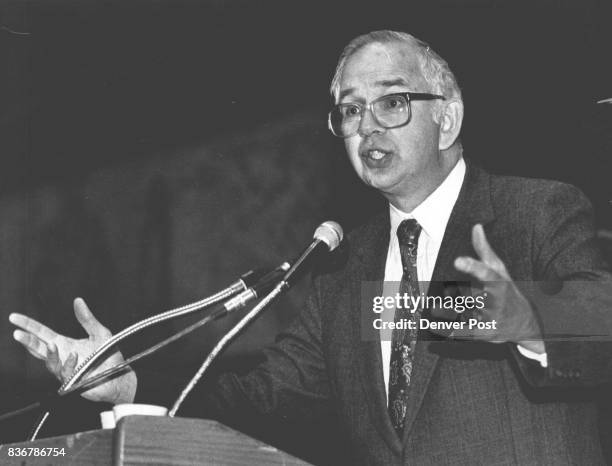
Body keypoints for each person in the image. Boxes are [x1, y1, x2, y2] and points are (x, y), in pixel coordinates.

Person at [10, 30, 612, 464]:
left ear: (448, 120)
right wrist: (129, 385)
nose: (367, 126)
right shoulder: (343, 267)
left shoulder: (534, 211)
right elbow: (263, 398)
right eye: (350, 110)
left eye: (392, 101)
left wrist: (527, 318)